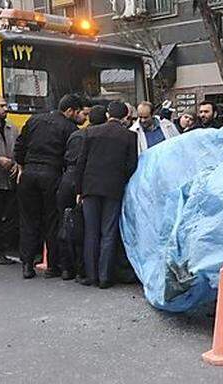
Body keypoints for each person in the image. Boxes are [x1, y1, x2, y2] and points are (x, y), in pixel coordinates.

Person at [14, 94, 82, 279]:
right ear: (69, 110)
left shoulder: (34, 119)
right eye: (77, 112)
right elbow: (70, 157)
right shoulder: (70, 128)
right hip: (52, 174)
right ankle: (53, 265)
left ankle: (27, 265)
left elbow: (19, 145)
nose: (79, 116)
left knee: (28, 220)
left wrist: (21, 166)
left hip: (28, 173)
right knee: (52, 220)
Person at [75, 101, 138, 288]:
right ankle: (105, 277)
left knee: (91, 232)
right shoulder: (129, 136)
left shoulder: (90, 132)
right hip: (114, 189)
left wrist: (79, 189)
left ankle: (91, 275)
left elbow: (81, 163)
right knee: (109, 232)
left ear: (108, 114)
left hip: (90, 187)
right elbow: (131, 166)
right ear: (126, 116)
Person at [56, 105, 108, 281]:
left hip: (67, 180)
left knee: (65, 223)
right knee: (84, 227)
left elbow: (66, 158)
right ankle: (81, 269)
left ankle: (65, 267)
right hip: (84, 183)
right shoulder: (98, 137)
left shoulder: (76, 134)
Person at [0, 95, 19, 266]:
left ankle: (2, 249)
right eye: (1, 105)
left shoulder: (12, 128)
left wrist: (18, 164)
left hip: (10, 179)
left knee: (7, 218)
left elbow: (19, 148)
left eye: (6, 105)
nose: (5, 108)